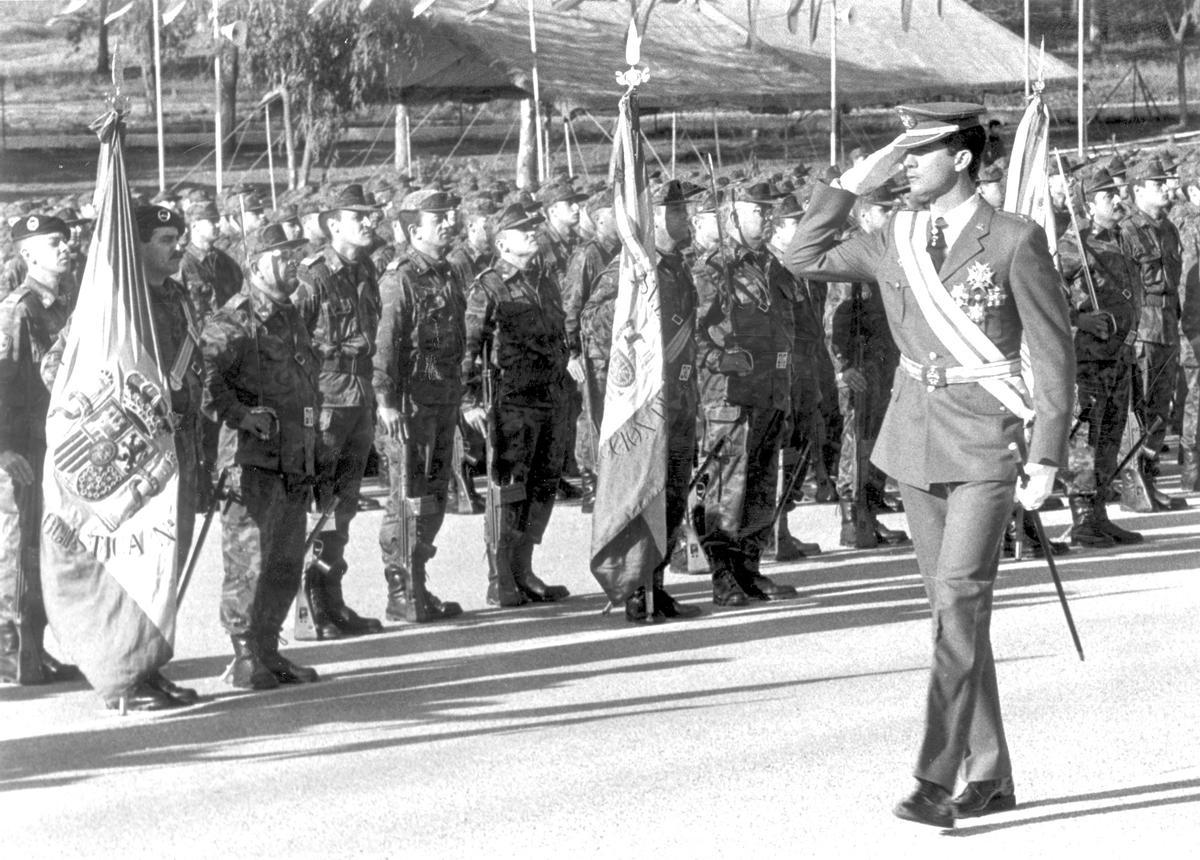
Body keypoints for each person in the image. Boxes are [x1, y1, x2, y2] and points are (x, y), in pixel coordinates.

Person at [784, 102, 1074, 829]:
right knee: (951, 616)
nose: (905, 163)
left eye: (919, 152)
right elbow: (803, 254)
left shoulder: (1013, 238)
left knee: (959, 606)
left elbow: (1052, 351)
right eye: (901, 154)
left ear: (964, 157)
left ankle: (936, 779)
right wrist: (852, 180)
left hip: (985, 444)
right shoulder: (894, 236)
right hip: (913, 442)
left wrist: (1047, 454)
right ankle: (991, 771)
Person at [200, 223, 320, 689]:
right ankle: (244, 655)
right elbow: (203, 378)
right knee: (248, 563)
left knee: (286, 562)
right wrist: (241, 413)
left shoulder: (290, 316)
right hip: (251, 463)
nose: (293, 264)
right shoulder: (235, 320)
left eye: (295, 255)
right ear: (256, 266)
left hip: (293, 459)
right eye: (282, 257)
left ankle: (269, 650)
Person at [584, 179, 705, 622]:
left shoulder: (676, 268)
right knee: (644, 495)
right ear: (651, 217)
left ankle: (656, 583)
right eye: (677, 212)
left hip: (679, 404)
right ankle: (637, 589)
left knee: (672, 494)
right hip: (645, 406)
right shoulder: (630, 270)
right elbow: (594, 325)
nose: (686, 219)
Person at [693, 181, 801, 607]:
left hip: (771, 391)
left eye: (770, 211)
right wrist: (721, 359)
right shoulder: (712, 270)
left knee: (760, 482)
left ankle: (749, 568)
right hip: (730, 396)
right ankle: (722, 574)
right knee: (725, 486)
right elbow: (689, 335)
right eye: (758, 212)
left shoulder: (772, 267)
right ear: (733, 216)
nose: (767, 219)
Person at [463, 203, 572, 607]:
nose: (533, 234)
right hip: (512, 402)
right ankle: (500, 576)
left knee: (542, 487)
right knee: (508, 490)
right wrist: (468, 400)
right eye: (524, 230)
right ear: (502, 242)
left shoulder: (545, 282)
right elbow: (469, 347)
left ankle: (524, 569)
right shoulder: (488, 287)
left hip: (549, 397)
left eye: (533, 228)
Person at [294, 184, 385, 640]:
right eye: (359, 216)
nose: (370, 222)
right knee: (321, 506)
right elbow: (290, 339)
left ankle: (334, 599)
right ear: (333, 225)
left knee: (344, 506)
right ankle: (312, 607)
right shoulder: (312, 276)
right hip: (326, 400)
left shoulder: (365, 268)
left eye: (372, 215)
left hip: (358, 395)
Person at [373, 189, 467, 623]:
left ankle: (418, 580)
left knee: (433, 495)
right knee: (405, 496)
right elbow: (388, 344)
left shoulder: (447, 273)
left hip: (441, 398)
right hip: (408, 405)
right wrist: (385, 401)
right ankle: (401, 588)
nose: (449, 221)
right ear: (415, 230)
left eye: (451, 214)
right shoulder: (401, 277)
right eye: (439, 217)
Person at [0, 214, 80, 686]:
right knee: (16, 553)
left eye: (67, 241)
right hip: (23, 451)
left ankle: (34, 646)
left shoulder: (62, 306)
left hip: (54, 447)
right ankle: (10, 651)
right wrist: (2, 449)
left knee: (44, 551)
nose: (65, 248)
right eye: (54, 243)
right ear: (28, 254)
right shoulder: (17, 310)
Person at [1057, 167, 1144, 546]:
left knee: (1109, 437)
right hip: (1087, 360)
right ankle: (1081, 518)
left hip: (1119, 357)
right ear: (1089, 205)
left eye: (1116, 192)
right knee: (1083, 441)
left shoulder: (1123, 240)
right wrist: (1080, 319)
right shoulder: (1071, 245)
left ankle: (1099, 513)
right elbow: (1048, 298)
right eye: (1107, 195)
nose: (1117, 199)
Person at [828, 184, 910, 549]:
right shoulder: (850, 255)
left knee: (877, 438)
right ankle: (852, 517)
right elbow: (834, 315)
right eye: (884, 209)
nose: (892, 214)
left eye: (894, 208)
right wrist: (842, 367)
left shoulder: (885, 252)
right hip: (858, 362)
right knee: (855, 440)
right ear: (864, 215)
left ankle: (870, 512)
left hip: (884, 360)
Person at [1122, 157, 1189, 512]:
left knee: (1161, 408)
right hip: (1143, 327)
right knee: (1141, 406)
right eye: (1157, 183)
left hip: (1167, 324)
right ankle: (1134, 484)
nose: (1166, 187)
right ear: (1137, 191)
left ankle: (1150, 479)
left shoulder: (1169, 229)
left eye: (1165, 181)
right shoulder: (1127, 230)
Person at [563, 187, 619, 510]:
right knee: (591, 414)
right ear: (600, 219)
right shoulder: (588, 255)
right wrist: (571, 354)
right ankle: (590, 481)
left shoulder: (626, 250)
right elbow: (571, 307)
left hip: (621, 350)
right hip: (592, 351)